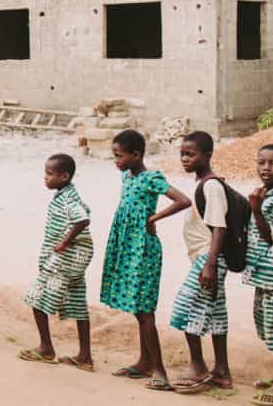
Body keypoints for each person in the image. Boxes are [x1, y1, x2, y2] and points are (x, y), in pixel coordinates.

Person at [101, 129, 191, 392]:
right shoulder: (127, 177)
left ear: (136, 155)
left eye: (119, 156)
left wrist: (154, 218)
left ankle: (159, 370)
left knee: (144, 309)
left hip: (143, 249)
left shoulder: (152, 178)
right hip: (128, 246)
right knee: (136, 307)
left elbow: (183, 200)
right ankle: (143, 362)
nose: (115, 161)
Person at [169, 131, 232, 394]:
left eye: (191, 154)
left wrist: (210, 264)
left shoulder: (211, 186)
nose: (185, 158)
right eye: (182, 153)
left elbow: (220, 228)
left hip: (210, 258)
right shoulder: (202, 182)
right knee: (216, 313)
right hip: (207, 258)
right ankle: (222, 372)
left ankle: (198, 365)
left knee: (183, 308)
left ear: (207, 156)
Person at [20, 153, 93, 370]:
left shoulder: (68, 199)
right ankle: (85, 357)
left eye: (49, 174)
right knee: (78, 302)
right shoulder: (67, 194)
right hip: (76, 259)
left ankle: (46, 348)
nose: (45, 178)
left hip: (65, 259)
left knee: (36, 297)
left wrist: (64, 242)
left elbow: (82, 218)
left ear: (64, 176)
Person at [247, 144, 273, 404]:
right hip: (266, 273)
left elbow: (271, 235)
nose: (266, 168)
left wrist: (256, 209)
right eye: (261, 162)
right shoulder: (270, 191)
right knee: (270, 325)